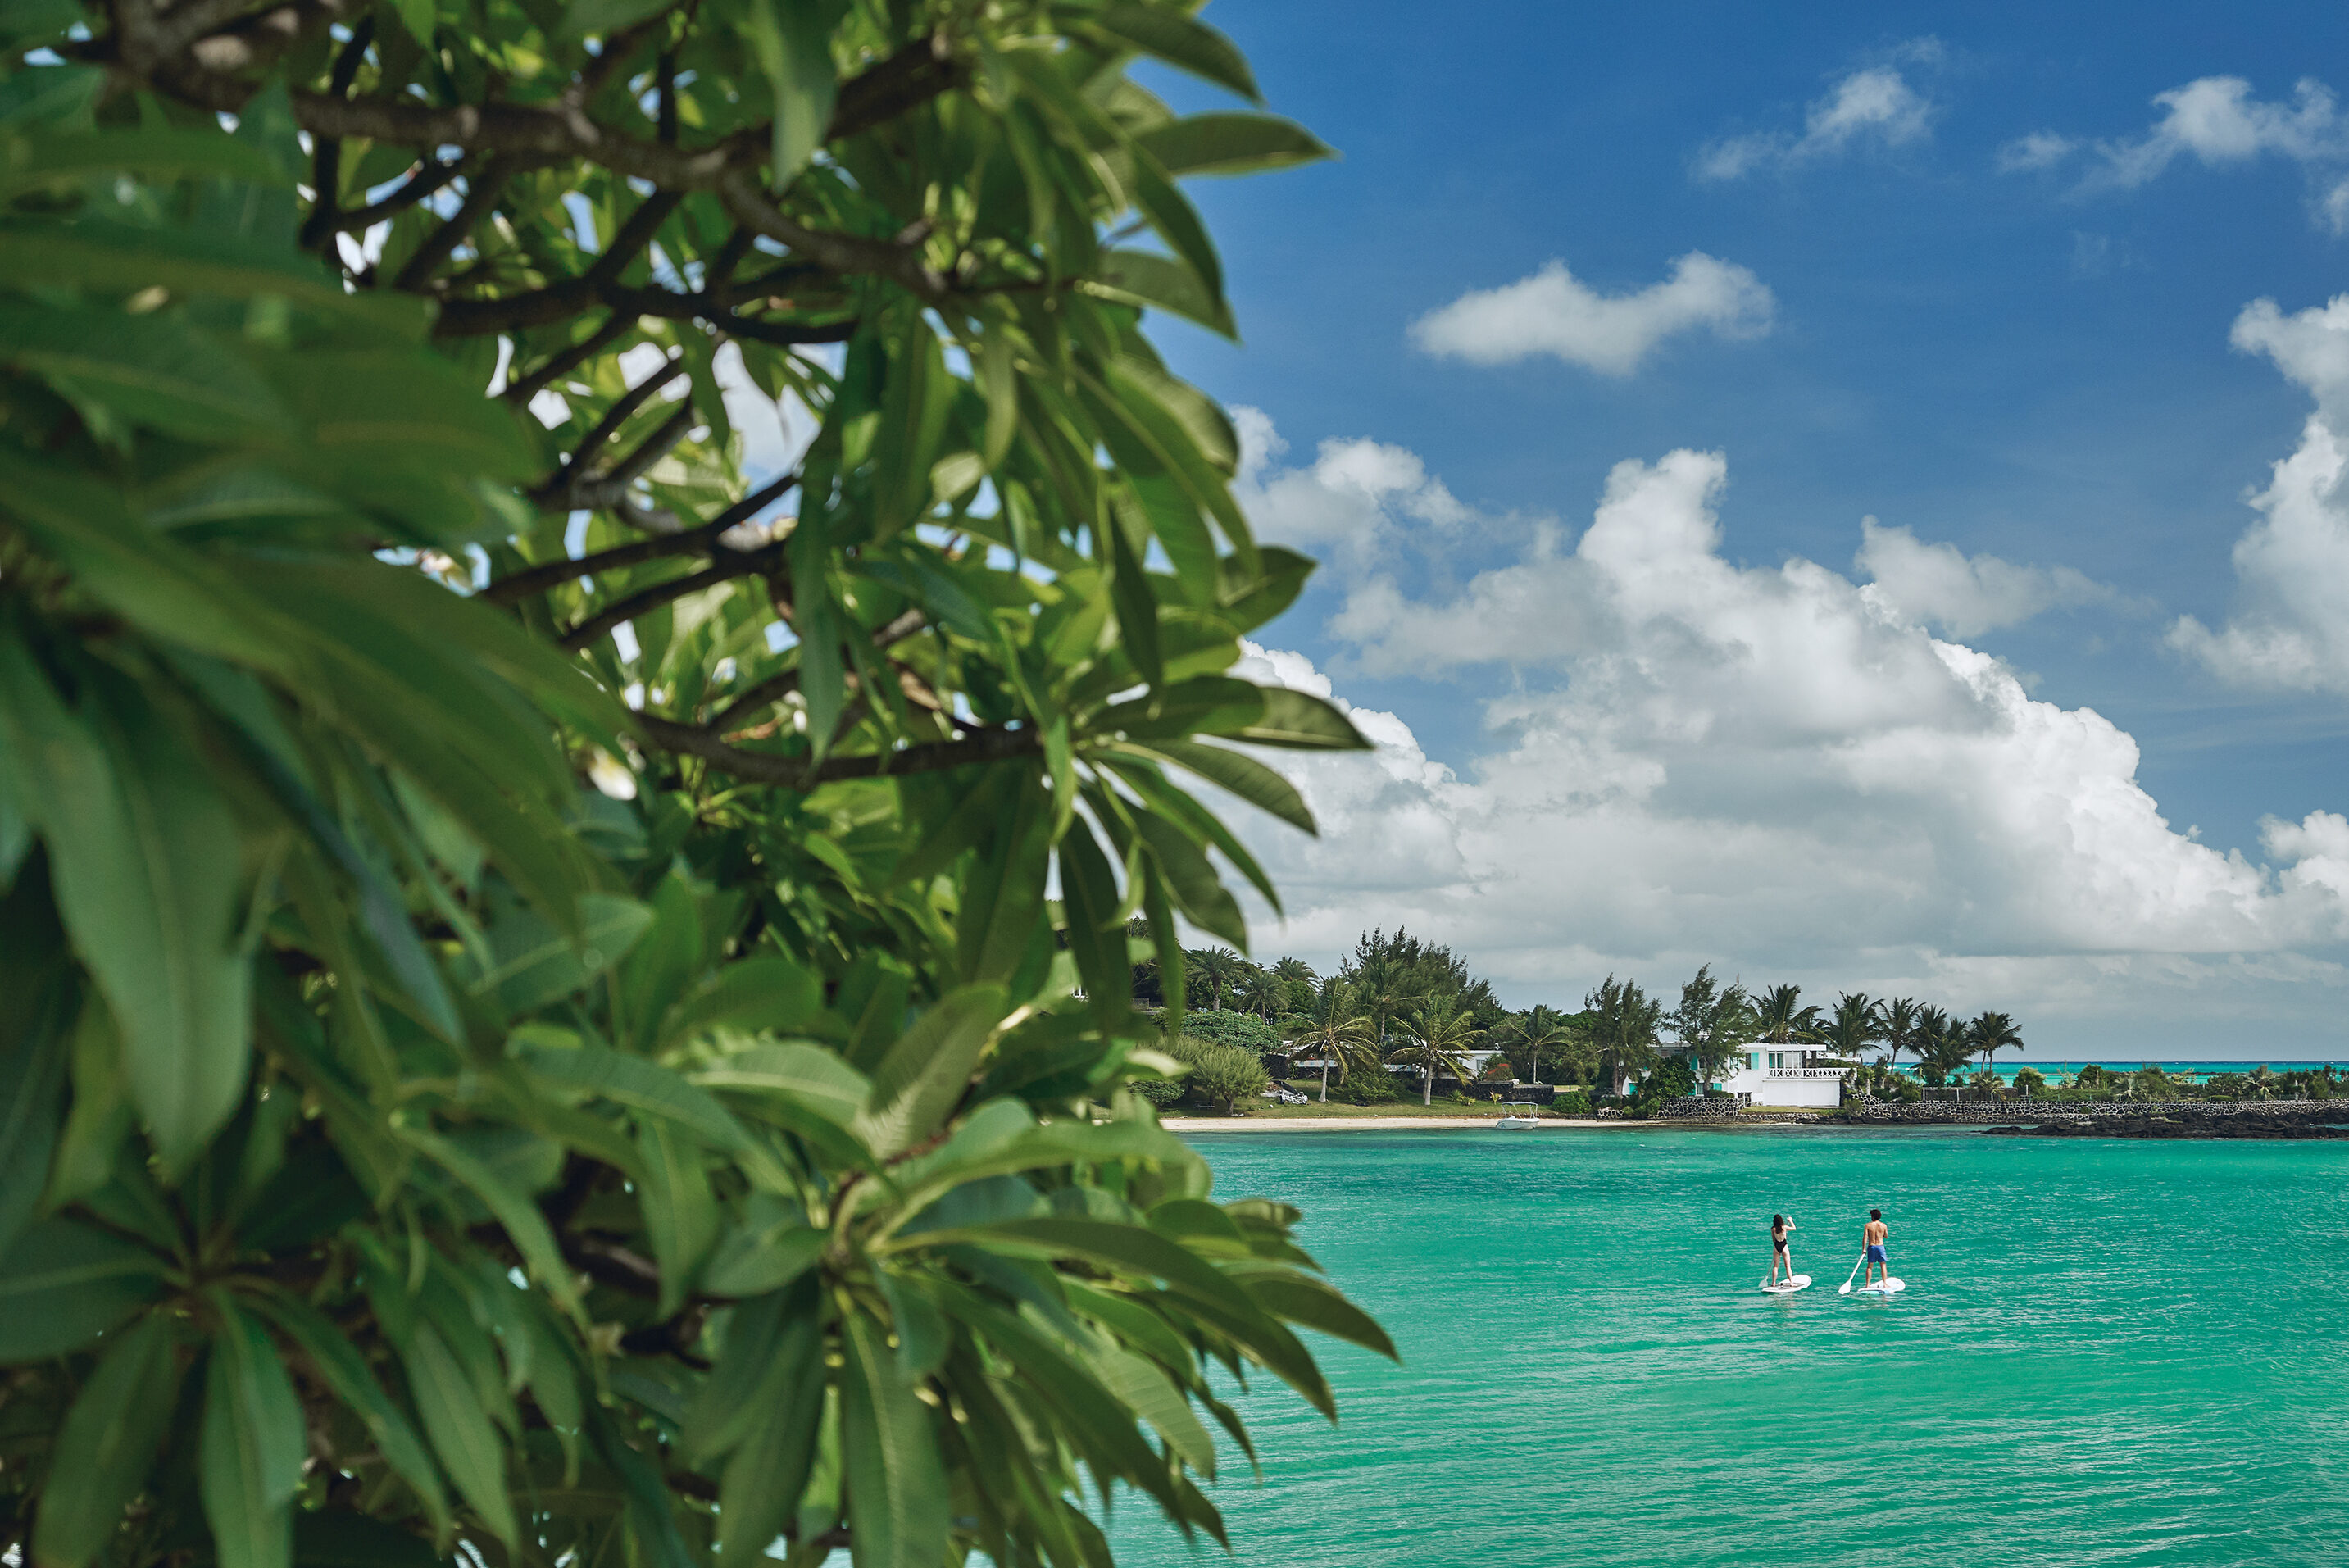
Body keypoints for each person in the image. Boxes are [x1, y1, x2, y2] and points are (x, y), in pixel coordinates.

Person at [1861, 1208, 1891, 1287]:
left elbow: (1865, 1237)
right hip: (1880, 1246)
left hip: (1872, 1246)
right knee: (1883, 1265)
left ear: (1873, 1217)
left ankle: (1867, 1285)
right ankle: (1885, 1283)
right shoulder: (1883, 1225)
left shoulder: (1868, 1225)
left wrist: (1864, 1249)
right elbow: (1886, 1236)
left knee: (1870, 1266)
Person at [1769, 1213, 1797, 1286]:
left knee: (1775, 1266)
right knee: (1787, 1266)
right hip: (1784, 1246)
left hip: (1776, 1246)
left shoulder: (1773, 1229)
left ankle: (1773, 1283)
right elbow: (1794, 1228)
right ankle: (1791, 1283)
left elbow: (1773, 1240)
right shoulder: (1784, 1227)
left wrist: (1776, 1245)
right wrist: (1791, 1221)